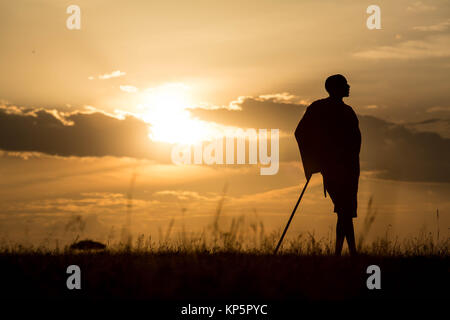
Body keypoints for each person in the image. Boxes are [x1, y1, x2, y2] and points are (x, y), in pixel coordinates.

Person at [295, 74, 361, 256]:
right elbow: (301, 133)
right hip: (335, 168)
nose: (349, 86)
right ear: (336, 88)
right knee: (344, 210)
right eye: (344, 84)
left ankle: (341, 253)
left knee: (344, 211)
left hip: (349, 169)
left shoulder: (346, 111)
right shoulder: (319, 109)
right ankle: (351, 253)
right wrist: (311, 163)